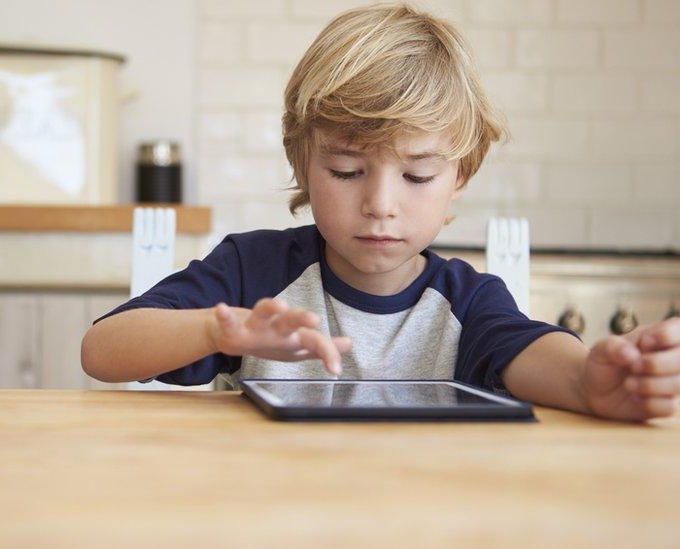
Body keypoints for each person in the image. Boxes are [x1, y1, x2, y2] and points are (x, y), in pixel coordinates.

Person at [81, 3, 680, 421]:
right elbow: (102, 351)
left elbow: (544, 360)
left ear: (459, 176)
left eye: (418, 175)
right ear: (302, 161)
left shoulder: (468, 303)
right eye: (346, 170)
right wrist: (217, 328)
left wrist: (593, 381)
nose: (380, 205)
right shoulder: (254, 270)